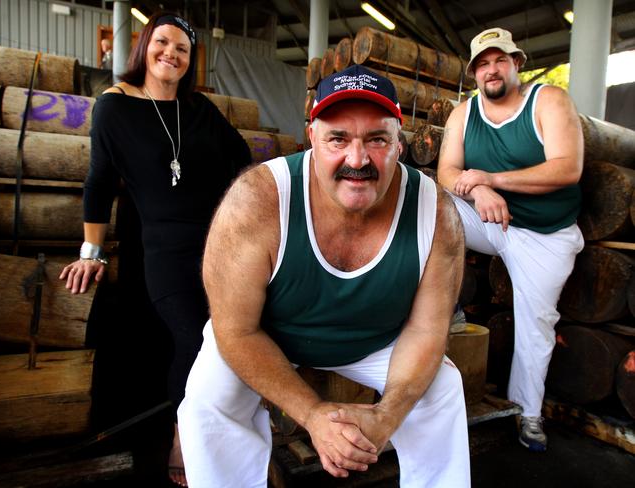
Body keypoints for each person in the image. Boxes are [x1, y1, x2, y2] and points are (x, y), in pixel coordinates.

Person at [178, 64, 470, 487]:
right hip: (269, 335)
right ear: (312, 138)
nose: (357, 159)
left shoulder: (436, 212)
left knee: (443, 388)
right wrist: (313, 415)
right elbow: (235, 330)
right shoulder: (258, 200)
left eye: (376, 140)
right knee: (209, 397)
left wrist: (387, 417)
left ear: (399, 145)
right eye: (338, 139)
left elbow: (428, 329)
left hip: (375, 340)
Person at [59, 12, 251, 487]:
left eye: (182, 49)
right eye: (162, 42)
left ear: (190, 61)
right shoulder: (114, 107)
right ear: (144, 46)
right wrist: (91, 252)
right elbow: (99, 184)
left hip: (221, 246)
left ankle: (232, 435)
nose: (171, 53)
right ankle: (182, 438)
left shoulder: (200, 109)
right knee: (194, 340)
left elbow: (242, 159)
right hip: (163, 251)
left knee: (235, 339)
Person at [437, 27, 584, 452]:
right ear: (474, 73)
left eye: (499, 60)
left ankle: (528, 413)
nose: (491, 70)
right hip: (490, 220)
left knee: (535, 323)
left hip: (545, 234)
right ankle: (448, 306)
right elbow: (447, 173)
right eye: (482, 64)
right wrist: (479, 190)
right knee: (429, 205)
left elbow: (566, 169)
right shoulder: (463, 113)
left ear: (517, 64)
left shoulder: (550, 101)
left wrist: (492, 179)